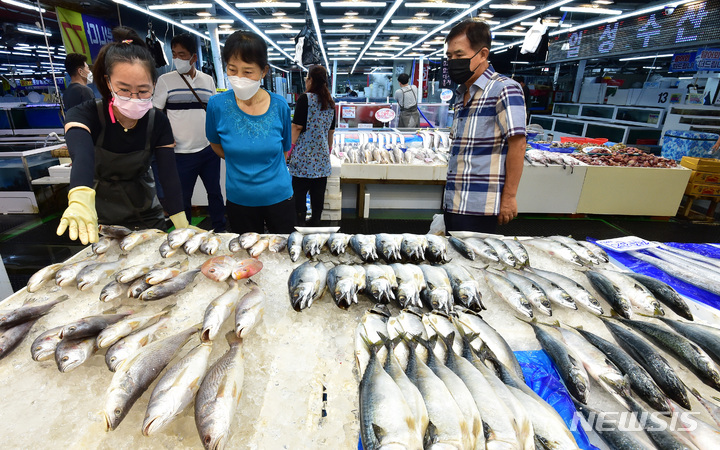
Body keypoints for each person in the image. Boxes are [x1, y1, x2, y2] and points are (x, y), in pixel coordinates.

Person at [57, 30, 194, 245]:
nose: (134, 98)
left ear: (154, 86)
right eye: (124, 89)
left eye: (143, 90)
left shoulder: (157, 121)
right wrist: (80, 197)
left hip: (146, 212)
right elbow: (81, 155)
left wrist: (180, 219)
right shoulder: (86, 114)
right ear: (108, 82)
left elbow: (168, 175)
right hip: (97, 216)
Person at [205, 31, 294, 234]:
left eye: (248, 72)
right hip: (240, 199)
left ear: (264, 71)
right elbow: (215, 145)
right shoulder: (216, 105)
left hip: (279, 197)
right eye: (232, 70)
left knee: (284, 255)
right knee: (245, 259)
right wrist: (241, 158)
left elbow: (284, 151)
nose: (239, 78)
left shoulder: (279, 106)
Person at [443, 19, 526, 234]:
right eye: (449, 57)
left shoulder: (505, 89)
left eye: (459, 55)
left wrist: (509, 198)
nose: (453, 61)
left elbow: (518, 144)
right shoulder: (462, 93)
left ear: (482, 54)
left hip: (481, 206)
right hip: (454, 200)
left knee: (477, 265)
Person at [153, 33, 226, 232]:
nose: (177, 59)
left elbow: (213, 112)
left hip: (208, 149)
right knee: (182, 197)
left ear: (194, 57)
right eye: (174, 54)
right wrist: (164, 138)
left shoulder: (208, 80)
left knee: (215, 194)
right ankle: (184, 234)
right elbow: (156, 114)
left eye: (182, 55)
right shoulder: (165, 81)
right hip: (180, 154)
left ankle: (220, 230)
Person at [288, 65, 337, 226]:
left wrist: (288, 151)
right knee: (318, 195)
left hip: (303, 157)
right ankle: (315, 221)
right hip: (322, 157)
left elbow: (296, 127)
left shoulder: (305, 99)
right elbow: (331, 131)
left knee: (299, 193)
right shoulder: (330, 102)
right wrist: (328, 151)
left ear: (310, 80)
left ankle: (299, 222)